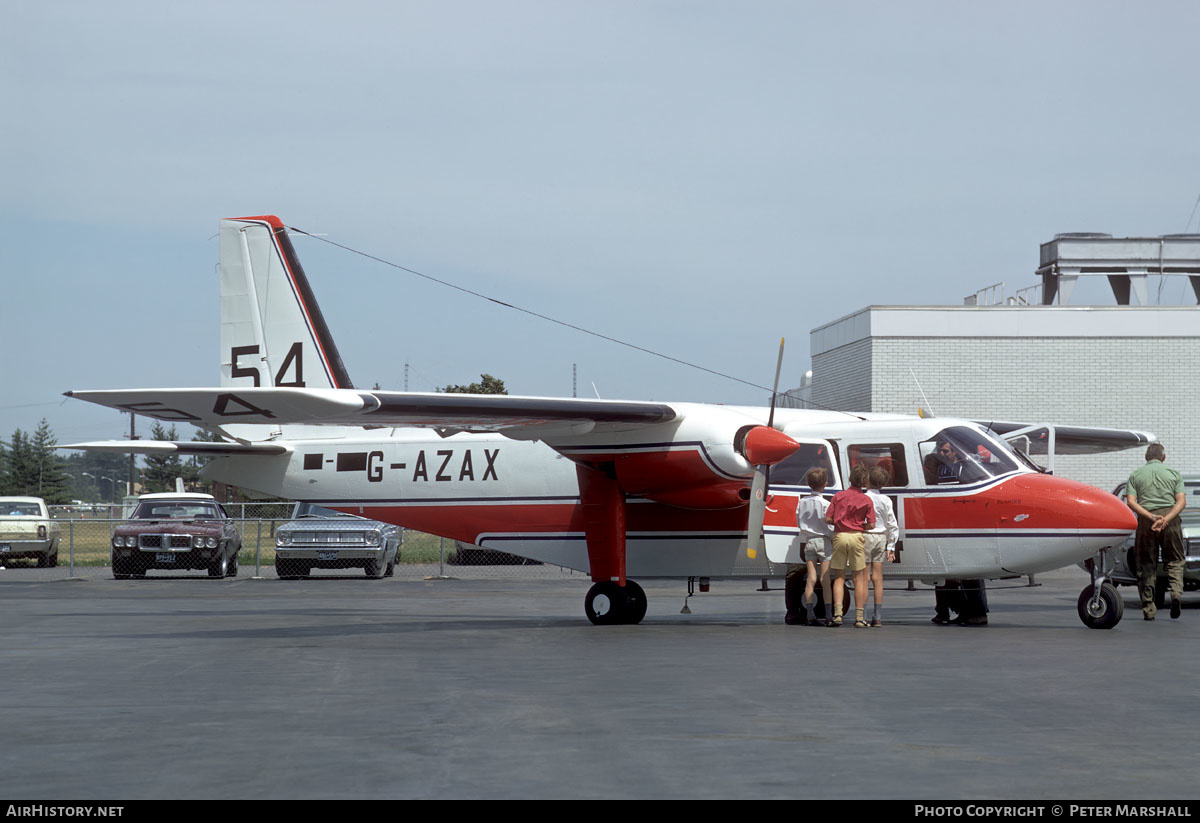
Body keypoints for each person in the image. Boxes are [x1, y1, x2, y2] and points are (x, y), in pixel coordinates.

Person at [1125, 443, 1186, 620]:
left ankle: (1149, 609)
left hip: (1146, 520)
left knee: (1145, 564)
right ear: (1163, 457)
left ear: (1146, 457)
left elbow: (1131, 501)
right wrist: (1165, 519)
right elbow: (1181, 502)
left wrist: (1151, 517)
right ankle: (1175, 594)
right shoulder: (1174, 474)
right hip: (1171, 518)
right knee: (1175, 560)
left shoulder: (1136, 475)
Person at [825, 465, 875, 627]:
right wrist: (860, 527)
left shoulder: (838, 496)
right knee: (858, 578)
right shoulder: (866, 500)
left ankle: (838, 614)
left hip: (840, 536)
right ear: (864, 482)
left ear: (850, 479)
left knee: (839, 577)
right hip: (856, 537)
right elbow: (872, 525)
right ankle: (859, 618)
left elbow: (828, 519)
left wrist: (839, 522)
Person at [793, 467, 833, 626]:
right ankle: (829, 614)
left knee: (811, 578)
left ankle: (810, 614)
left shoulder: (802, 503)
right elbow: (830, 526)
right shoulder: (826, 504)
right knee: (825, 579)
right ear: (825, 484)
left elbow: (799, 522)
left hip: (809, 542)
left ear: (808, 483)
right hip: (824, 541)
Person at [864, 466, 899, 627]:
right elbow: (893, 525)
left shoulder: (862, 497)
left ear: (867, 481)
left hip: (864, 537)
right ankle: (877, 616)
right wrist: (891, 546)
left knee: (863, 578)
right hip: (880, 538)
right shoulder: (886, 500)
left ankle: (861, 615)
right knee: (877, 578)